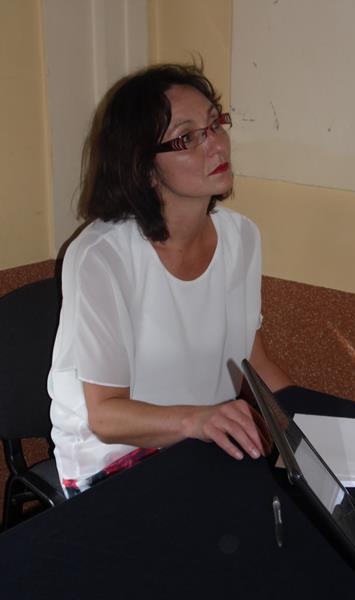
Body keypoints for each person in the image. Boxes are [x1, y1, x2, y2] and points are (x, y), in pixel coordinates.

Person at [48, 63, 292, 497]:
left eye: (214, 124)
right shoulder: (102, 257)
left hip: (201, 441)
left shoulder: (241, 237)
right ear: (145, 168)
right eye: (187, 137)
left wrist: (310, 422)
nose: (215, 144)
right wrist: (198, 420)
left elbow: (253, 362)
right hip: (115, 460)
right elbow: (105, 417)